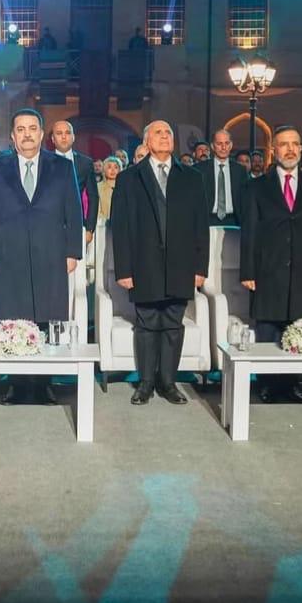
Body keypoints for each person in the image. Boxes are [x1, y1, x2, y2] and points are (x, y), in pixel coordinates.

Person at [0, 108, 82, 405]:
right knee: (13, 320)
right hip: (9, 255)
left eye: (32, 128)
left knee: (47, 319)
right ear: (12, 136)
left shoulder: (62, 167)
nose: (27, 134)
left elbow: (74, 211)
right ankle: (17, 384)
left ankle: (44, 384)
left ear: (41, 134)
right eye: (21, 129)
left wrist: (73, 251)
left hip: (51, 254)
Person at [111, 120, 209, 405]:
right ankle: (145, 383)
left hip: (181, 265)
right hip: (144, 264)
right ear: (146, 141)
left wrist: (200, 268)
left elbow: (201, 226)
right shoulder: (129, 178)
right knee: (147, 323)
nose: (165, 136)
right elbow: (121, 227)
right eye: (158, 132)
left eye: (168, 133)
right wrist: (124, 269)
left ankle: (168, 383)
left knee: (173, 324)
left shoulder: (192, 177)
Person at [240, 125, 302, 403]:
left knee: (298, 327)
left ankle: (292, 384)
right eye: (283, 144)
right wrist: (248, 271)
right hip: (267, 268)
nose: (290, 149)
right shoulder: (256, 187)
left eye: (294, 144)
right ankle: (267, 384)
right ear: (273, 150)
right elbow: (249, 232)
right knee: (268, 327)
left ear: (301, 149)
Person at [50, 120, 99, 243]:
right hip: (48, 225)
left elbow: (93, 196)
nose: (63, 137)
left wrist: (90, 228)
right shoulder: (44, 161)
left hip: (77, 224)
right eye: (59, 133)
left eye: (67, 133)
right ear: (53, 139)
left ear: (73, 137)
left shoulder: (85, 163)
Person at [194, 128, 249, 226]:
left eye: (227, 143)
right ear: (212, 146)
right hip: (207, 221)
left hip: (234, 221)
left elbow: (245, 200)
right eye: (219, 144)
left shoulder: (240, 170)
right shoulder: (200, 169)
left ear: (231, 145)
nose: (223, 147)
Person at [97, 156, 121, 221]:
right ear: (104, 170)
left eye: (116, 167)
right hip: (103, 224)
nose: (113, 170)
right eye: (109, 167)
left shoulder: (125, 188)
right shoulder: (98, 187)